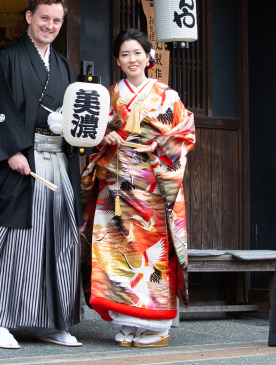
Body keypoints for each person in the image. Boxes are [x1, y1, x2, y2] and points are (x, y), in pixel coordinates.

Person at [0, 0, 83, 349]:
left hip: (57, 161)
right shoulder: (9, 59)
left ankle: (52, 320)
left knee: (59, 238)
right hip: (22, 162)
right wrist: (11, 151)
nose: (50, 25)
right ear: (29, 18)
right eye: (44, 18)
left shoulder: (63, 65)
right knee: (14, 240)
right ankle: (0, 320)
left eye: (57, 20)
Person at [79, 28, 195, 348]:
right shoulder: (108, 95)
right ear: (117, 61)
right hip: (114, 188)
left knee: (149, 258)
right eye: (125, 54)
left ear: (149, 57)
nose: (132, 59)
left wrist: (157, 145)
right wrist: (105, 138)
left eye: (137, 53)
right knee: (112, 255)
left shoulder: (166, 95)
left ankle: (156, 326)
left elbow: (185, 135)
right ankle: (127, 322)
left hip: (150, 190)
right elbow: (90, 136)